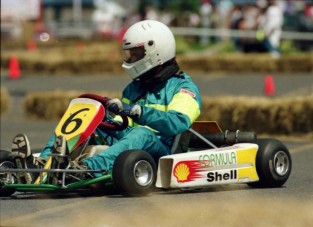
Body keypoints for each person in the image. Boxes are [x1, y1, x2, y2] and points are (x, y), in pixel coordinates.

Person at [10, 20, 203, 183]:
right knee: (89, 119)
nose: (131, 58)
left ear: (155, 51)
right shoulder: (134, 88)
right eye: (130, 54)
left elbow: (178, 122)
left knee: (141, 133)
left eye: (136, 54)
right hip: (132, 144)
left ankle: (86, 168)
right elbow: (123, 125)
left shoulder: (183, 87)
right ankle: (44, 163)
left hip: (164, 149)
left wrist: (137, 111)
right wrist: (105, 121)